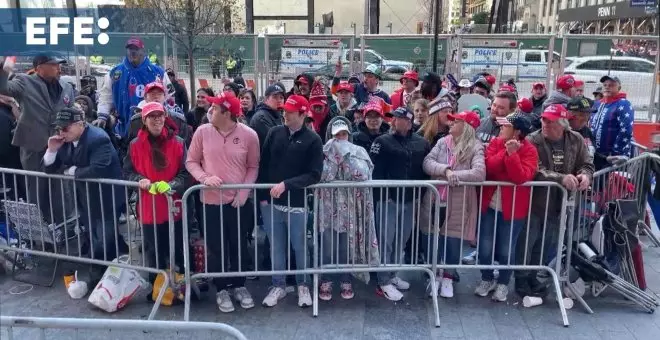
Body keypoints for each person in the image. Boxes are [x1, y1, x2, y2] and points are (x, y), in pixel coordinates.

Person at [185, 92, 260, 312]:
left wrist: (244, 192)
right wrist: (204, 178)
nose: (211, 111)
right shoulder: (202, 132)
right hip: (210, 202)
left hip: (238, 203)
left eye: (215, 108)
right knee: (216, 247)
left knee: (239, 246)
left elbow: (253, 167)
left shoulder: (249, 135)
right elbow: (191, 161)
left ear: (227, 113)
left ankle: (239, 285)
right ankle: (220, 289)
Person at [518, 104, 594, 297]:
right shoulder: (532, 139)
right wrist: (560, 179)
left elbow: (587, 164)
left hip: (560, 203)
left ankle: (533, 276)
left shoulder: (575, 139)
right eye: (543, 119)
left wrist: (585, 175)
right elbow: (535, 169)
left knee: (546, 242)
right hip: (535, 202)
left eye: (550, 121)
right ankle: (521, 279)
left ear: (562, 124)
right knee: (527, 242)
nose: (544, 123)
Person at [43, 107, 127, 280]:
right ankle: (106, 274)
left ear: (80, 125)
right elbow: (50, 168)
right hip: (86, 198)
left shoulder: (98, 139)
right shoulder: (64, 141)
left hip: (106, 198)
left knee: (103, 239)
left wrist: (72, 171)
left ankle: (103, 277)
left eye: (65, 128)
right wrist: (51, 150)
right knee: (94, 235)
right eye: (58, 128)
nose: (61, 132)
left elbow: (98, 168)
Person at [257, 94, 324, 308]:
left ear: (303, 114)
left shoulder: (313, 140)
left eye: (290, 111)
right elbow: (264, 165)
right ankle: (278, 284)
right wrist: (262, 198)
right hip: (272, 202)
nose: (285, 114)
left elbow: (314, 174)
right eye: (284, 110)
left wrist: (287, 184)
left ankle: (303, 285)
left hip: (297, 201)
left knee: (300, 245)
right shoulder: (274, 133)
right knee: (276, 245)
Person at [0, 53, 76, 223]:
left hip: (59, 146)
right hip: (34, 146)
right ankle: (40, 232)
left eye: (59, 64)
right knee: (36, 189)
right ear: (39, 68)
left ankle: (63, 227)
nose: (59, 67)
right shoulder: (24, 81)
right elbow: (4, 89)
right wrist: (5, 69)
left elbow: (71, 112)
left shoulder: (66, 87)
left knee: (60, 190)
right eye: (54, 64)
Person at [420, 111, 485, 298]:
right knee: (431, 237)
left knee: (453, 240)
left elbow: (479, 173)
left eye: (456, 121)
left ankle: (448, 276)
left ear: (466, 127)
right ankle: (433, 274)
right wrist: (446, 171)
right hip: (434, 199)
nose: (451, 123)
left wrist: (456, 176)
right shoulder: (442, 142)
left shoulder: (475, 147)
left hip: (458, 201)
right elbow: (427, 162)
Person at [123, 102, 187, 290]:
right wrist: (139, 179)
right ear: (144, 120)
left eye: (160, 115)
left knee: (176, 247)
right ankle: (157, 286)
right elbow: (127, 172)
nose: (157, 119)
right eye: (152, 116)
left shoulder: (179, 143)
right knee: (153, 250)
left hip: (173, 205)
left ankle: (179, 286)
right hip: (148, 207)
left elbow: (185, 173)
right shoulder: (134, 145)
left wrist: (172, 185)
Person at [369, 106, 431, 301]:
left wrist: (419, 195)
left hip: (410, 200)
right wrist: (380, 195)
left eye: (399, 118)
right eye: (394, 118)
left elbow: (424, 171)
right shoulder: (382, 141)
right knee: (385, 240)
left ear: (409, 122)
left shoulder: (422, 143)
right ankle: (383, 280)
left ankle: (392, 274)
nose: (394, 121)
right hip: (388, 199)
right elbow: (374, 171)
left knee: (401, 240)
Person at [476, 112, 538, 302]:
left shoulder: (530, 150)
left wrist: (512, 155)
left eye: (506, 126)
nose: (501, 128)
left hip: (513, 210)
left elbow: (520, 178)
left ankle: (503, 283)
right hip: (490, 206)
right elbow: (490, 167)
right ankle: (487, 278)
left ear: (517, 131)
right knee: (484, 248)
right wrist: (507, 152)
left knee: (506, 249)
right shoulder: (496, 143)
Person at [317, 120, 379, 301]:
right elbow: (323, 176)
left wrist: (346, 157)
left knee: (346, 244)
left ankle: (346, 278)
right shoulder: (323, 152)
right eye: (336, 135)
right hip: (328, 206)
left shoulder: (359, 151)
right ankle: (326, 278)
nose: (340, 139)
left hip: (352, 206)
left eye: (343, 134)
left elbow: (363, 175)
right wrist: (334, 158)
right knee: (328, 244)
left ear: (349, 135)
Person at [95, 37, 171, 140]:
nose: (133, 52)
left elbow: (170, 97)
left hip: (152, 129)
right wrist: (102, 115)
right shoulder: (115, 73)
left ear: (143, 51)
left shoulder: (158, 72)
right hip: (122, 129)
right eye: (130, 49)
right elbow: (105, 96)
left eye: (136, 49)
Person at [589, 76, 634, 170]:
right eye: (605, 85)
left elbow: (626, 130)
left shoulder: (623, 104)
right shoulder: (597, 103)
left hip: (614, 159)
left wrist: (615, 152)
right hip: (596, 155)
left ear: (619, 88)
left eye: (611, 85)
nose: (607, 87)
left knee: (610, 183)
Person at [126, 81, 190, 147]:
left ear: (164, 97)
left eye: (159, 94)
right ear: (145, 97)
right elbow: (131, 146)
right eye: (152, 94)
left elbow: (184, 146)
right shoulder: (136, 121)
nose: (156, 97)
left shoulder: (178, 120)